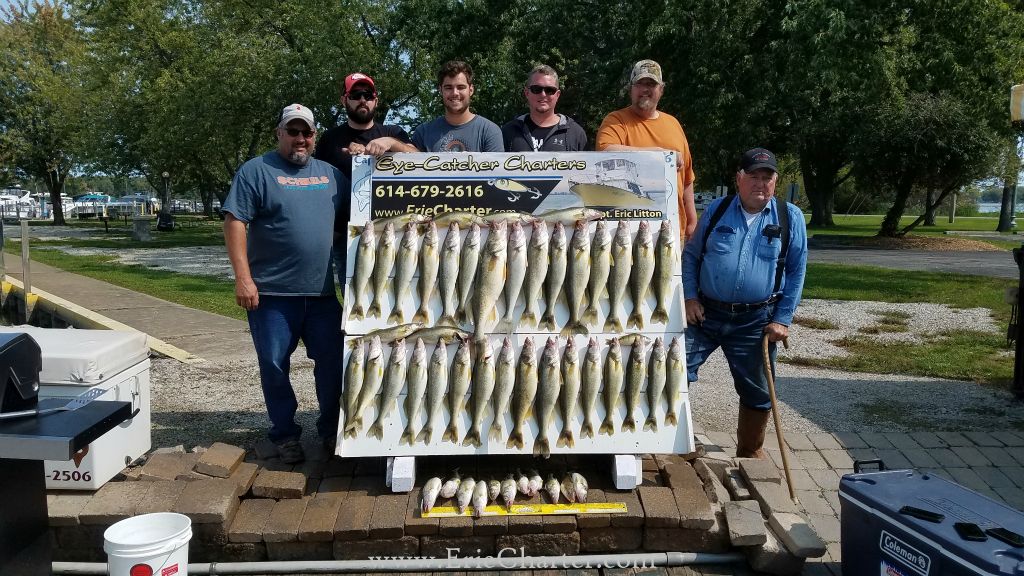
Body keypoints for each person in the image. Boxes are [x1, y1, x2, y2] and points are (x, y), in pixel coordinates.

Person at [222, 103, 348, 464]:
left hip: (323, 295)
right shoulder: (256, 171)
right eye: (292, 131)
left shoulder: (330, 175)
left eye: (306, 132)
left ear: (314, 136)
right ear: (279, 133)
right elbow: (234, 223)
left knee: (334, 364)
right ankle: (284, 434)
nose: (300, 139)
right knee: (275, 366)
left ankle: (330, 430)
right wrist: (244, 279)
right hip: (272, 296)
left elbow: (351, 225)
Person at [682, 148, 807, 459]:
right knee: (672, 373)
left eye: (767, 177)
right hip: (705, 315)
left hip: (756, 320)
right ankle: (673, 442)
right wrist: (688, 297)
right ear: (739, 178)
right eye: (753, 176)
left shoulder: (790, 217)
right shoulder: (717, 209)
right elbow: (691, 256)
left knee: (759, 391)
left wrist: (783, 319)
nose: (760, 183)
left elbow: (796, 270)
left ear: (776, 181)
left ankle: (750, 452)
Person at [596, 59, 698, 239]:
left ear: (661, 90)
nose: (645, 89)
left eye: (651, 84)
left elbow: (687, 179)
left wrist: (691, 222)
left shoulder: (673, 124)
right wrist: (658, 156)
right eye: (639, 84)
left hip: (673, 234)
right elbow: (605, 151)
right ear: (631, 89)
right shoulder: (615, 120)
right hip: (627, 236)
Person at [314, 72, 418, 179]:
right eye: (356, 95)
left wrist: (391, 143)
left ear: (376, 101)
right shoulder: (329, 139)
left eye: (368, 95)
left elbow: (421, 160)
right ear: (344, 101)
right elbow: (317, 177)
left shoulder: (393, 132)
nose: (363, 100)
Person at [412, 60, 503, 152]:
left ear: (471, 90)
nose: (455, 93)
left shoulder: (489, 131)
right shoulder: (423, 133)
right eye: (448, 88)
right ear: (440, 90)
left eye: (460, 87)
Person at [501, 64, 587, 152]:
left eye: (550, 90)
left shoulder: (576, 133)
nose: (543, 94)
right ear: (527, 93)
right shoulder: (508, 131)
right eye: (536, 89)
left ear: (557, 95)